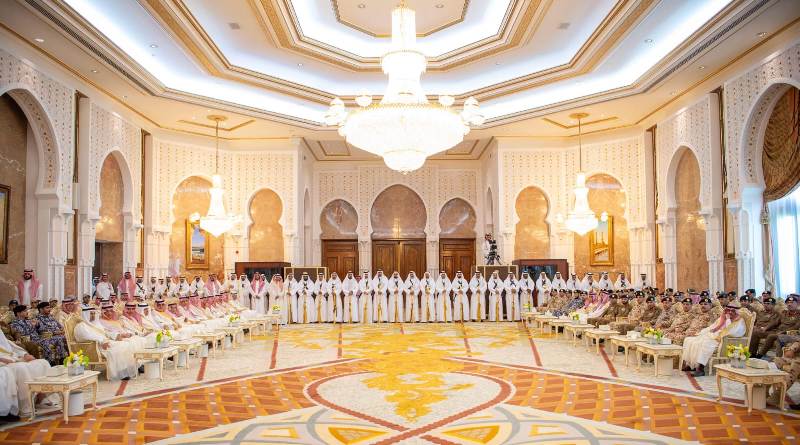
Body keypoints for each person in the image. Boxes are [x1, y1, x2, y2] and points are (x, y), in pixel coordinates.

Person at [72, 305, 138, 380]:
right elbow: (86, 336)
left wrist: (117, 335)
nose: (93, 316)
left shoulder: (95, 323)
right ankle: (117, 373)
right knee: (122, 346)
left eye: (94, 313)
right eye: (91, 314)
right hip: (97, 347)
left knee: (126, 344)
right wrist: (102, 341)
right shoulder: (81, 326)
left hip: (106, 342)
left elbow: (105, 332)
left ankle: (123, 370)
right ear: (85, 315)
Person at [681, 301, 746, 376]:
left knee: (705, 343)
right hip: (714, 336)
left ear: (736, 312)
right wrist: (701, 332)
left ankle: (700, 369)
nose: (730, 312)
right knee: (689, 340)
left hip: (723, 340)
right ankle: (691, 365)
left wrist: (728, 319)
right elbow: (713, 326)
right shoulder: (723, 317)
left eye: (732, 311)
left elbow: (729, 331)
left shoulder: (738, 321)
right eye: (728, 310)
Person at [0, 328, 51, 417]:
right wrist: (5, 360)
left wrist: (25, 354)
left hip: (14, 358)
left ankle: (41, 397)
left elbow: (11, 346)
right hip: (4, 363)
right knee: (21, 368)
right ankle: (26, 405)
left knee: (43, 363)